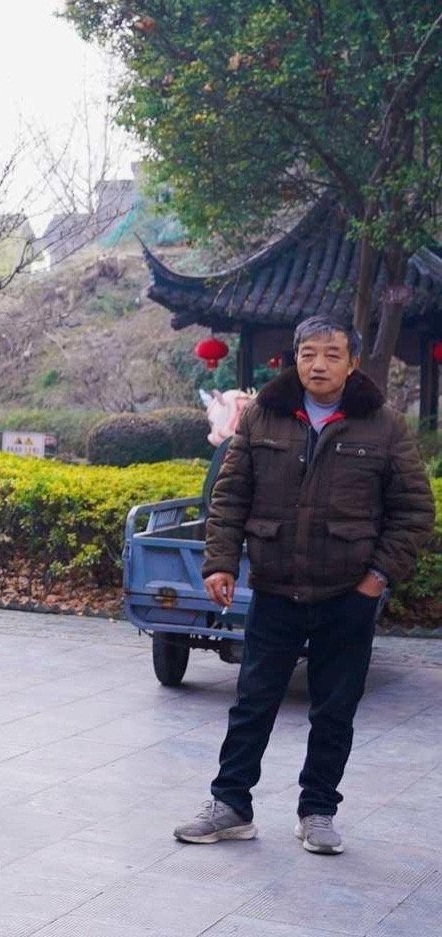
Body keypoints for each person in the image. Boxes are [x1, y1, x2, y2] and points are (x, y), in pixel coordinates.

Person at [175, 315, 433, 855]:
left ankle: (317, 810)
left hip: (348, 593)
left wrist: (376, 578)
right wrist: (220, 563)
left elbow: (413, 511)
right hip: (276, 588)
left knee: (334, 709)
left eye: (332, 354)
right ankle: (230, 805)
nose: (319, 365)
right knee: (253, 701)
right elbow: (231, 495)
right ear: (294, 358)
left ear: (352, 363)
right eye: (308, 353)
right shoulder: (263, 415)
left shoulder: (382, 425)